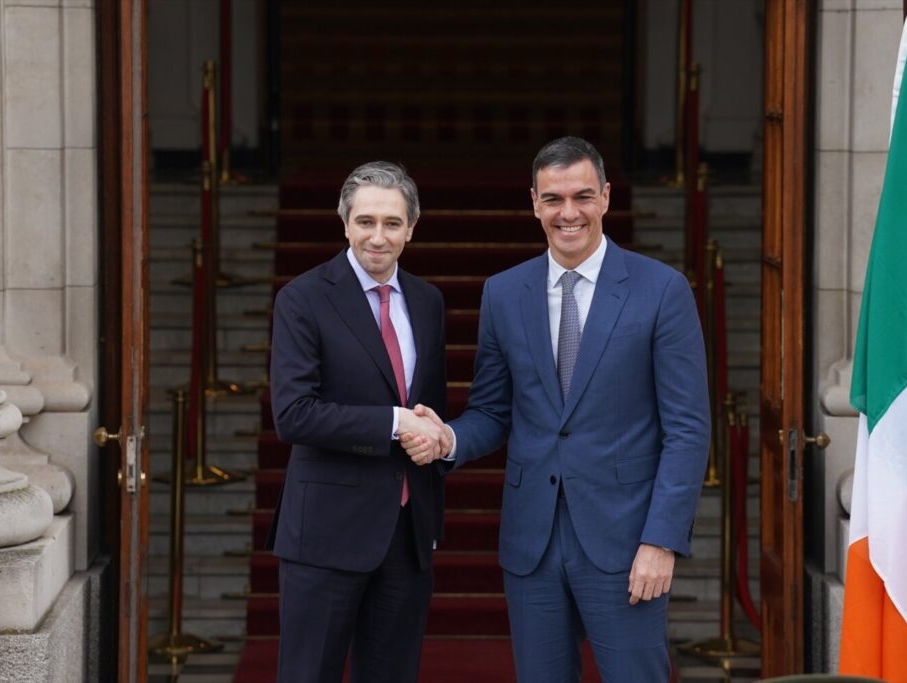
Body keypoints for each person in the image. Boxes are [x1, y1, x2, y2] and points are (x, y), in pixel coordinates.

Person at [402, 137, 710, 681]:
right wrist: (447, 438)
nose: (569, 213)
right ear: (534, 202)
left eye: (583, 196)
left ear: (607, 198)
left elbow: (687, 430)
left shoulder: (662, 290)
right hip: (532, 546)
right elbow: (493, 411)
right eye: (554, 199)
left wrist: (661, 541)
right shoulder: (503, 293)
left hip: (626, 543)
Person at [267, 160, 448, 682]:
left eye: (392, 223)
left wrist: (436, 446)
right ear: (344, 224)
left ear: (411, 228)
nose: (378, 236)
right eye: (365, 221)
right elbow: (294, 415)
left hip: (408, 533)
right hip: (325, 534)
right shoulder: (302, 299)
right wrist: (394, 424)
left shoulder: (428, 301)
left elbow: (431, 410)